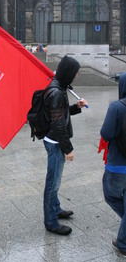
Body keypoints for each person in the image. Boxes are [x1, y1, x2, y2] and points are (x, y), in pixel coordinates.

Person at [43, 55, 88, 235]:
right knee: (52, 183)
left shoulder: (60, 88)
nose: (76, 76)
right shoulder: (55, 91)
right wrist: (68, 149)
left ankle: (56, 209)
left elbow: (61, 114)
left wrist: (76, 107)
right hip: (55, 142)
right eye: (75, 73)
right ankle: (51, 222)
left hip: (55, 140)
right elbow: (58, 124)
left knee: (55, 181)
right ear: (69, 72)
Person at [100, 72, 126, 257]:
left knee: (111, 195)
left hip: (118, 164)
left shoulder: (116, 107)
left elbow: (106, 134)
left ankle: (124, 244)